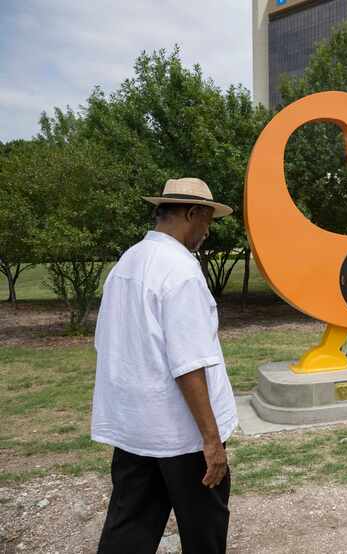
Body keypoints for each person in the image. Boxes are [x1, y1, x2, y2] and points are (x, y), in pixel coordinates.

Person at [91, 178, 238, 554]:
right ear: (192, 214)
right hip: (183, 438)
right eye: (207, 222)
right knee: (203, 532)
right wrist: (211, 440)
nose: (206, 232)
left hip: (136, 431)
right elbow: (188, 364)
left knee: (129, 528)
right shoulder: (180, 271)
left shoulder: (128, 261)